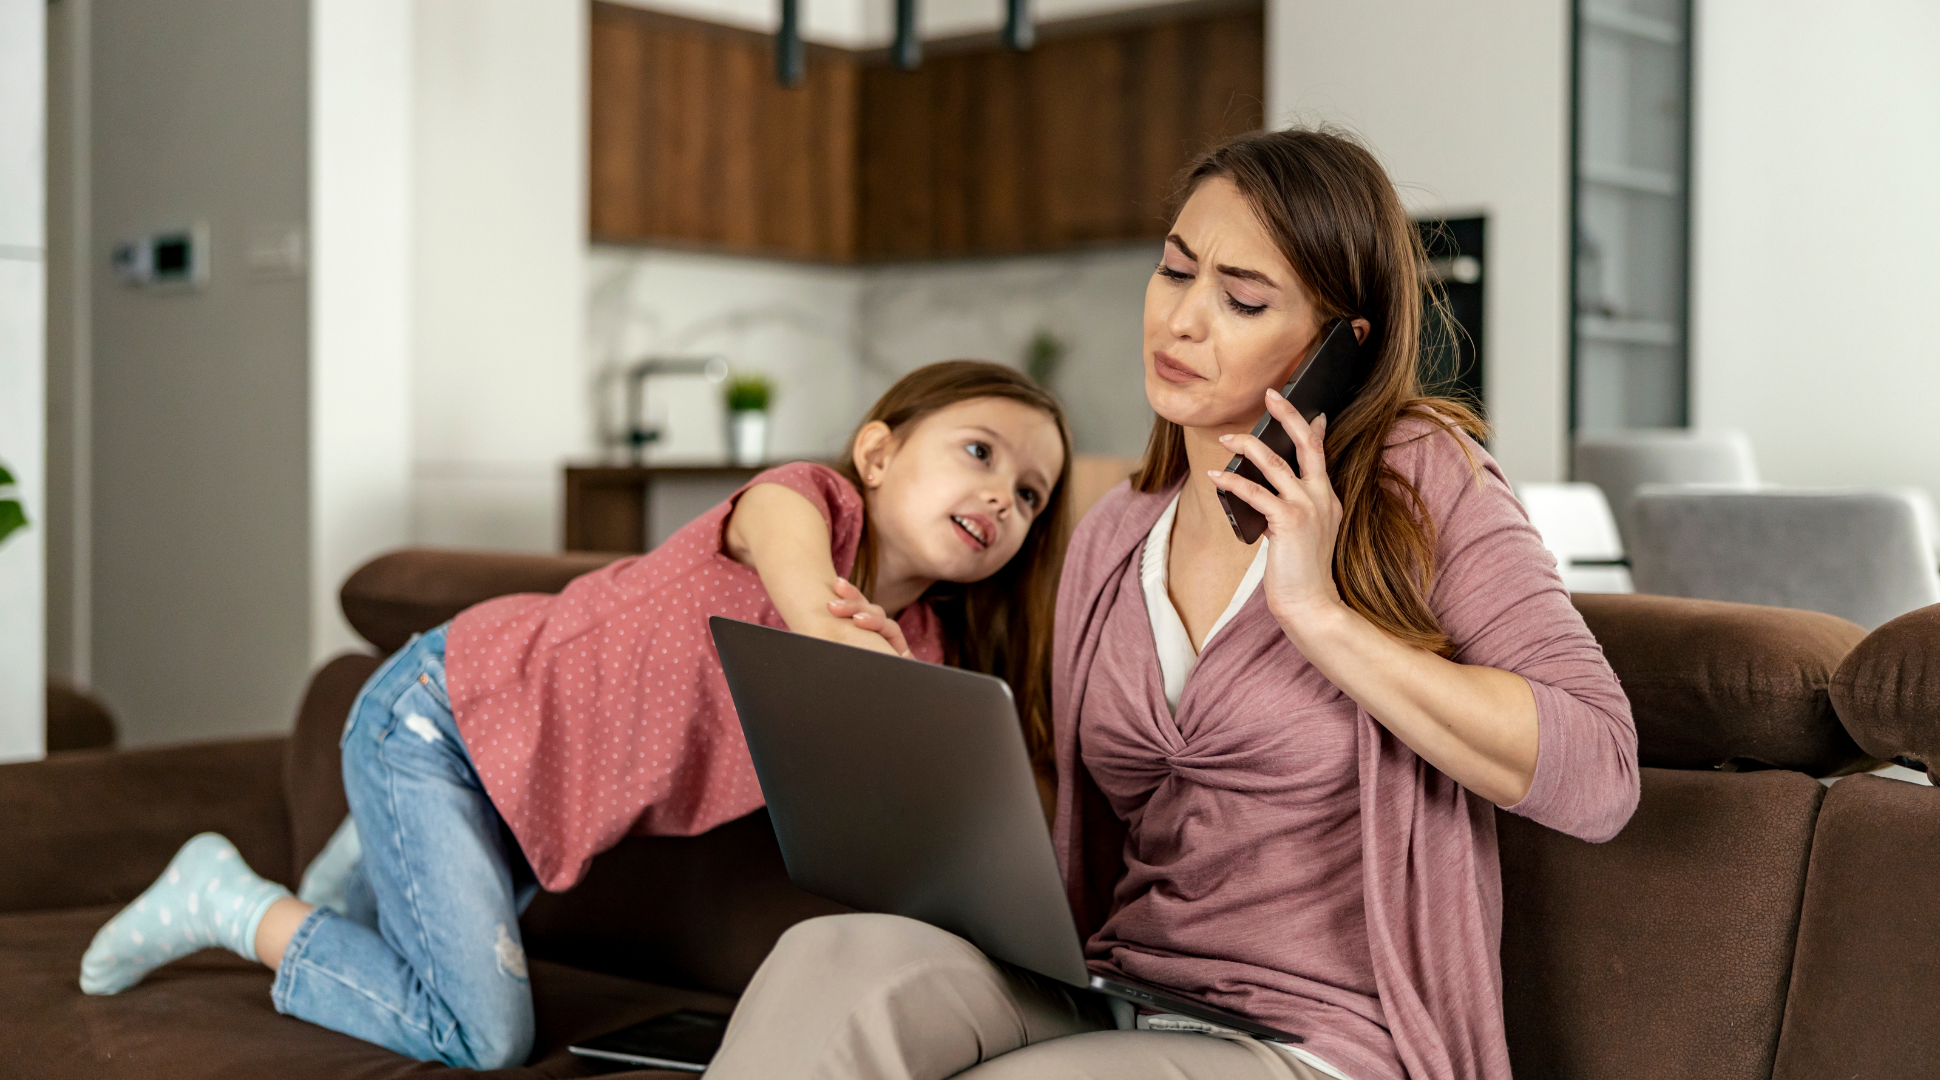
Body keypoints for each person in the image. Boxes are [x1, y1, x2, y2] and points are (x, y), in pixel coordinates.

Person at [699, 128, 1640, 1080]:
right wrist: (914, 736)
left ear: (1339, 346)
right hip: (1119, 991)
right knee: (836, 960)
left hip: (1316, 1042)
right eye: (1174, 272)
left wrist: (1319, 615)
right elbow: (1077, 846)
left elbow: (1600, 770)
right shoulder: (1114, 532)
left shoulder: (1423, 482)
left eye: (1240, 298)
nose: (1182, 321)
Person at [76, 360, 1073, 1070]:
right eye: (977, 452)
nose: (999, 496)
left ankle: (354, 872)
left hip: (522, 810)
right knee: (481, 1037)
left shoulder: (926, 655)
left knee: (408, 948)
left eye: (1029, 495)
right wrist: (830, 624)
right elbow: (793, 563)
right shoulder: (802, 504)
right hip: (441, 724)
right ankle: (223, 900)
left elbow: (884, 817)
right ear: (877, 451)